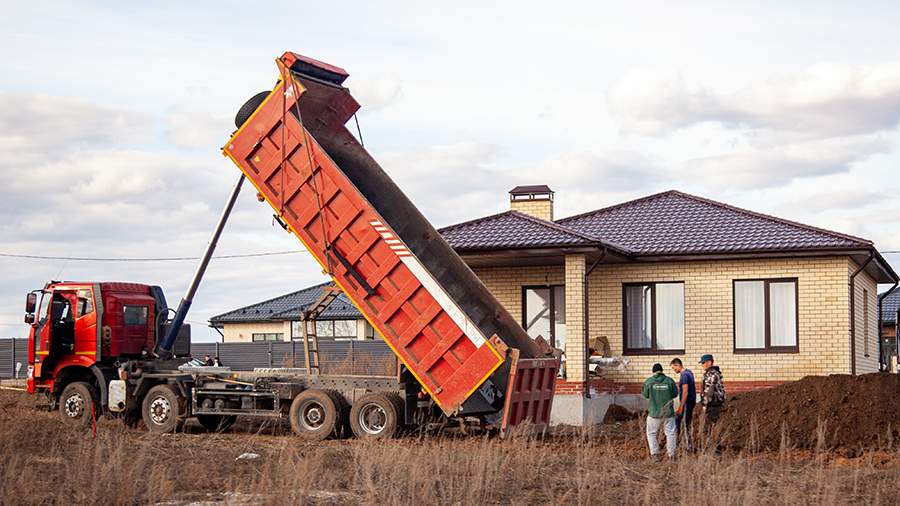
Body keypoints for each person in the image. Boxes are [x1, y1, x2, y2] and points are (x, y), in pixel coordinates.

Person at [642, 363, 679, 459]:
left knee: (651, 433)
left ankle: (655, 454)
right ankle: (671, 455)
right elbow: (675, 394)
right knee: (670, 433)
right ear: (662, 371)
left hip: (654, 413)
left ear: (653, 372)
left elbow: (645, 395)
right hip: (668, 413)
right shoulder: (669, 381)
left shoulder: (649, 382)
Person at [699, 354, 726, 452]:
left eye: (703, 363)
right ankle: (717, 448)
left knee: (706, 429)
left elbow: (709, 391)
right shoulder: (714, 373)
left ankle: (712, 450)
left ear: (709, 362)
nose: (702, 365)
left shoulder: (712, 374)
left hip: (712, 405)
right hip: (716, 404)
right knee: (714, 427)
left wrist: (705, 405)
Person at [670, 357, 696, 451]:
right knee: (681, 421)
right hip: (691, 402)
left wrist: (681, 406)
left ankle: (688, 447)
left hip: (686, 403)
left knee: (685, 423)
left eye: (674, 368)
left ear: (678, 365)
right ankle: (684, 443)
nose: (674, 370)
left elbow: (685, 392)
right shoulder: (689, 372)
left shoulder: (684, 375)